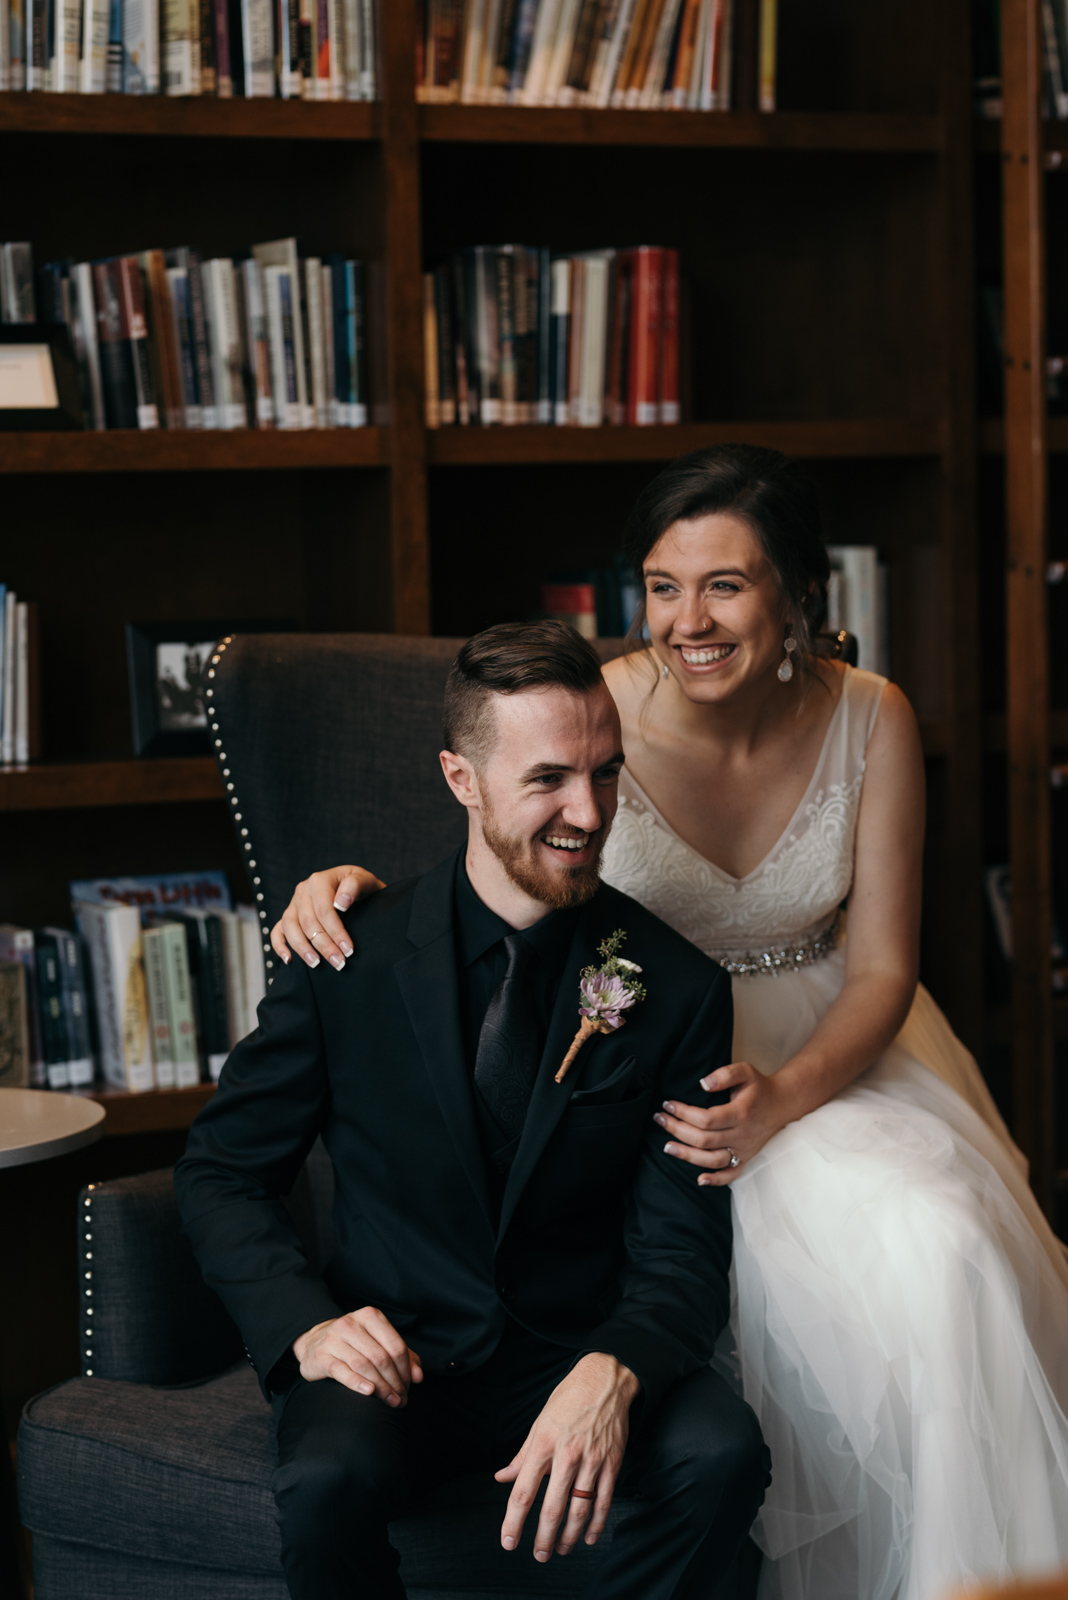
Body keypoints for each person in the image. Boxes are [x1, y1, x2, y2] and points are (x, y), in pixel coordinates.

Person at [274, 445, 1068, 1600]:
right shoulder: (598, 702)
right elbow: (499, 837)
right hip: (644, 1047)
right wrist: (341, 883)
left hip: (820, 1048)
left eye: (727, 585)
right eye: (661, 584)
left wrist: (785, 1097)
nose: (688, 620)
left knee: (937, 1242)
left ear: (798, 591)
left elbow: (887, 966)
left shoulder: (872, 716)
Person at [175, 620, 770, 1600]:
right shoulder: (343, 954)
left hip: (572, 1347)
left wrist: (617, 1368)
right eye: (548, 779)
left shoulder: (678, 985)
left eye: (606, 772)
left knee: (723, 1452)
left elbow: (681, 1246)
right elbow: (221, 1173)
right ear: (462, 779)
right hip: (396, 1354)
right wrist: (309, 1328)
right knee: (327, 1479)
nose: (590, 811)